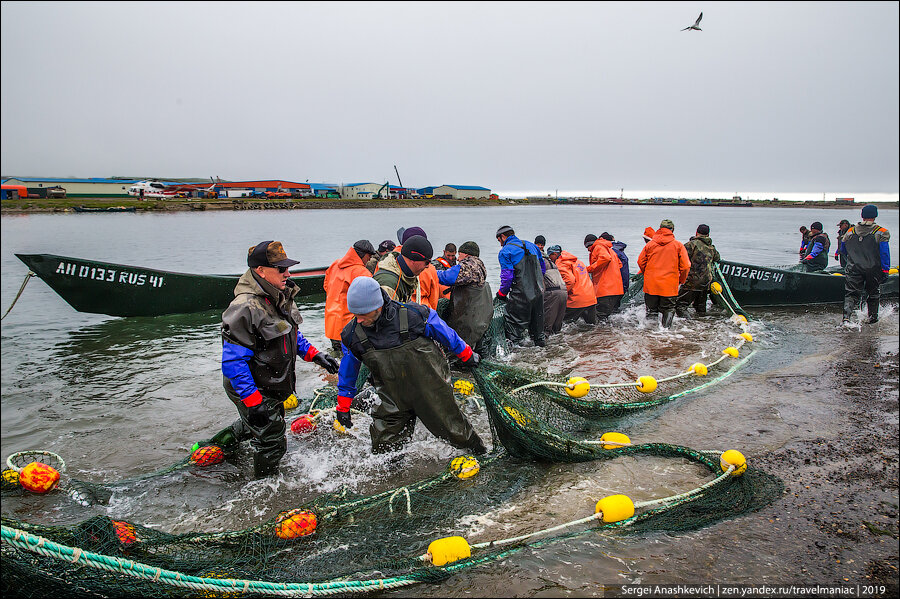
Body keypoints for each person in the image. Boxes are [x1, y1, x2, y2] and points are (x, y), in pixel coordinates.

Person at [221, 241, 340, 477]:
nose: (288, 273)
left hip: (272, 382)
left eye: (287, 268)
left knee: (262, 423)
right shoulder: (244, 307)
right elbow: (234, 363)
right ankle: (265, 487)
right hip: (252, 385)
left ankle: (225, 443)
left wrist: (317, 355)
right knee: (273, 441)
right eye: (281, 269)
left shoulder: (279, 296)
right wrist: (253, 402)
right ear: (260, 271)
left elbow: (290, 333)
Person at [335, 276, 487, 455]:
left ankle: (481, 454)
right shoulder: (352, 335)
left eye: (362, 315)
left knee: (456, 432)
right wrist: (343, 407)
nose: (358, 320)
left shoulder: (414, 315)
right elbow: (348, 373)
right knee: (384, 447)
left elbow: (446, 333)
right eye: (355, 314)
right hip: (392, 397)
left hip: (431, 389)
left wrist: (467, 354)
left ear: (377, 306)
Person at [436, 241, 493, 352]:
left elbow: (446, 277)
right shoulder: (480, 265)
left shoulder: (468, 266)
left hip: (467, 321)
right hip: (479, 319)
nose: (457, 258)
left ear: (466, 254)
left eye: (459, 254)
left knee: (455, 356)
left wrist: (428, 271)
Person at [839, 205, 891, 324]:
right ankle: (872, 320)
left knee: (851, 294)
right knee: (873, 294)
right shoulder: (882, 232)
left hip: (853, 268)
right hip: (873, 269)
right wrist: (885, 270)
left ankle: (846, 318)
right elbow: (884, 254)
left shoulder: (850, 231)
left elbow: (843, 249)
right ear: (875, 215)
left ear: (862, 216)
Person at [495, 225, 546, 346]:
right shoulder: (532, 245)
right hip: (538, 293)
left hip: (520, 296)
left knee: (514, 331)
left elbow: (507, 277)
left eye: (499, 240)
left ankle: (516, 356)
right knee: (538, 332)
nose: (500, 244)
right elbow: (542, 268)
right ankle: (542, 351)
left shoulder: (505, 251)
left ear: (503, 237)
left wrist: (502, 294)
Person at [637, 219, 691, 328]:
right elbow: (686, 266)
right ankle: (665, 333)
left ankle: (649, 332)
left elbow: (640, 262)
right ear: (672, 230)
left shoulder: (650, 245)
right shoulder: (678, 245)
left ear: (660, 228)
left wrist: (646, 274)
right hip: (669, 285)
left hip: (651, 284)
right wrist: (681, 280)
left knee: (652, 310)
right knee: (669, 309)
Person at [324, 240, 375, 352]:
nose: (370, 259)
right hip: (348, 327)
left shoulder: (335, 264)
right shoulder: (362, 272)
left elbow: (326, 286)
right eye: (370, 256)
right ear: (365, 254)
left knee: (336, 358)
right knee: (351, 361)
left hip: (331, 324)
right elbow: (370, 301)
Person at [675, 224, 721, 317]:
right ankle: (702, 324)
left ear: (696, 232)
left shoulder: (691, 245)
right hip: (705, 282)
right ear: (708, 235)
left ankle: (688, 324)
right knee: (700, 307)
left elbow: (679, 257)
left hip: (691, 281)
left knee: (680, 305)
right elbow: (717, 258)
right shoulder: (711, 247)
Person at [374, 234, 434, 304]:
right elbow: (382, 314)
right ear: (413, 259)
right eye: (427, 262)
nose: (428, 266)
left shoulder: (404, 275)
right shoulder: (388, 286)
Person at [547, 245, 596, 325]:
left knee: (563, 324)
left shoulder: (561, 263)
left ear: (555, 254)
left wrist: (563, 294)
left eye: (550, 256)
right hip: (590, 298)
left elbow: (570, 280)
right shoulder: (578, 262)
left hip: (577, 300)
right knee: (592, 325)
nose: (550, 259)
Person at [584, 234, 624, 320]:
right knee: (608, 316)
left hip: (606, 290)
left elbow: (605, 258)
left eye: (587, 248)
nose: (588, 251)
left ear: (589, 244)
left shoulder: (598, 247)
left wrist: (590, 268)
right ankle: (609, 332)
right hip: (616, 289)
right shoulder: (610, 249)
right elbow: (620, 264)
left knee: (599, 316)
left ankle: (597, 333)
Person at [540, 244, 569, 333]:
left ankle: (546, 345)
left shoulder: (541, 263)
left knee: (547, 326)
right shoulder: (553, 264)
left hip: (552, 294)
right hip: (564, 292)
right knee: (557, 326)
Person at [600, 232, 630, 311]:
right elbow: (624, 272)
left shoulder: (610, 252)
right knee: (615, 309)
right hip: (622, 285)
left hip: (613, 287)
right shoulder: (620, 251)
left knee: (607, 310)